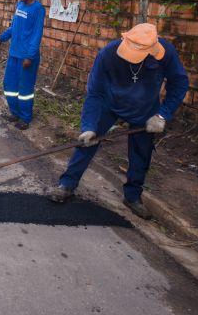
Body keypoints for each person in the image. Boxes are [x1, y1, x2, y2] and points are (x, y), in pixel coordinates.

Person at [47, 23, 189, 219]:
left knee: (141, 153)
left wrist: (163, 114)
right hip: (110, 103)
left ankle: (132, 196)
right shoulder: (108, 54)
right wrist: (89, 126)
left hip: (146, 109)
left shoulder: (165, 54)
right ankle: (67, 184)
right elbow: (95, 92)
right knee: (87, 142)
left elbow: (180, 82)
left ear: (152, 50)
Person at [0, 0, 45, 130]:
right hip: (14, 53)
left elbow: (37, 34)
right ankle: (15, 112)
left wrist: (30, 56)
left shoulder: (38, 9)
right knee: (9, 85)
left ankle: (25, 117)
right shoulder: (19, 5)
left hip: (26, 57)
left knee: (25, 89)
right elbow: (13, 27)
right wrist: (1, 37)